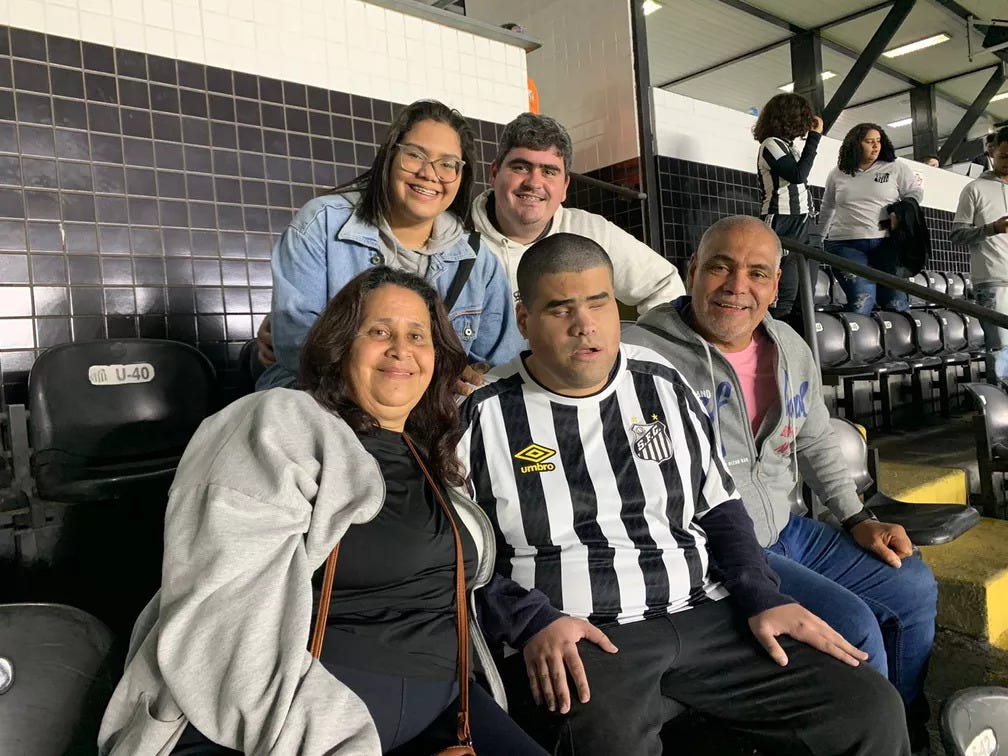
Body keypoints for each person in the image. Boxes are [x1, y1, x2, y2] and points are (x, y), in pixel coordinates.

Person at [460, 232, 910, 756]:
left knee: (868, 708)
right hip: (584, 638)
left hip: (709, 614)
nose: (586, 326)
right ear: (524, 320)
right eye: (560, 309)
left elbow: (719, 506)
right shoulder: (478, 417)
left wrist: (762, 595)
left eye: (599, 303)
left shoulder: (662, 382)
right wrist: (530, 619)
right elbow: (458, 562)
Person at [98, 268, 548, 756]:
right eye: (379, 331)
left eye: (417, 335)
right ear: (339, 345)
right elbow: (222, 625)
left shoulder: (433, 453)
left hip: (444, 713)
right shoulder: (279, 421)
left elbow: (456, 581)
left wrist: (537, 620)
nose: (401, 348)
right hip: (287, 728)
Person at [623, 215, 938, 752]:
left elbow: (815, 440)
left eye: (757, 273)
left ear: (775, 284)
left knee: (910, 585)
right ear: (692, 269)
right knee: (854, 628)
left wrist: (858, 517)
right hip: (716, 548)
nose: (736, 286)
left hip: (787, 527)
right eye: (719, 267)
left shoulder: (788, 344)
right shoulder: (635, 352)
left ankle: (902, 728)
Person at [256, 99, 524, 390]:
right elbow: (297, 345)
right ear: (390, 157)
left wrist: (472, 378)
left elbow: (498, 364)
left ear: (461, 176)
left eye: (448, 164)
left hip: (433, 418)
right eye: (415, 155)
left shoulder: (477, 261)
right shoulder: (322, 224)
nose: (429, 173)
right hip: (329, 401)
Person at [471, 112, 684, 309]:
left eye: (549, 171)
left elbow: (664, 285)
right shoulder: (452, 235)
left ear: (564, 187)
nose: (534, 182)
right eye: (521, 167)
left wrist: (635, 349)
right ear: (495, 173)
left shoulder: (591, 232)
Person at [814, 122, 924, 315]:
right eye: (869, 141)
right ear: (856, 144)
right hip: (844, 245)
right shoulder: (837, 173)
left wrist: (901, 210)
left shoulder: (896, 167)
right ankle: (854, 342)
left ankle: (894, 343)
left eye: (879, 141)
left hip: (886, 245)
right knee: (862, 297)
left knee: (897, 301)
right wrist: (817, 238)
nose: (875, 146)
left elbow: (914, 192)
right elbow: (827, 207)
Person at [753, 93, 823, 322]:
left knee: (805, 298)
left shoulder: (788, 146)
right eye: (802, 117)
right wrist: (814, 137)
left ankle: (802, 348)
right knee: (784, 295)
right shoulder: (770, 144)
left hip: (805, 222)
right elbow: (797, 175)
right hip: (783, 221)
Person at [952, 126, 1008, 383]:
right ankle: (1002, 411)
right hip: (992, 280)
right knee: (1001, 351)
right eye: (1005, 156)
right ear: (992, 152)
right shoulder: (974, 189)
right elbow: (957, 235)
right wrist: (992, 228)